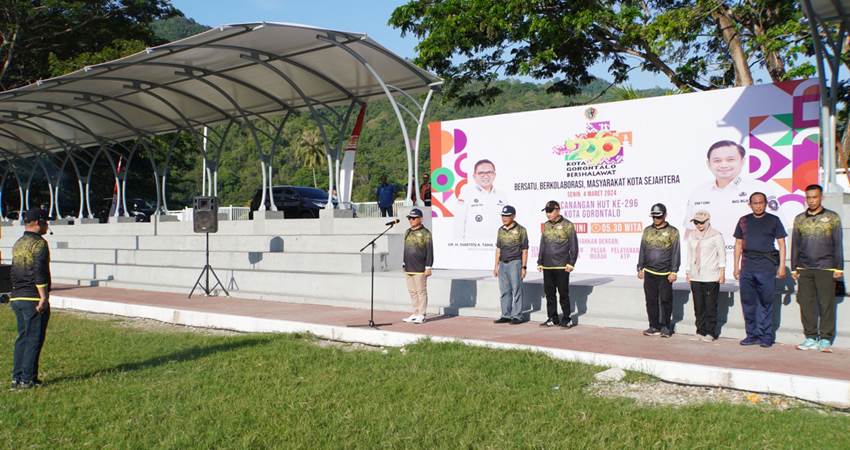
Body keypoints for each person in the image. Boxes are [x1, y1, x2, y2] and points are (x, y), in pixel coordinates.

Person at [684, 140, 782, 243]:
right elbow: (690, 233)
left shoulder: (759, 188)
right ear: (708, 163)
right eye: (717, 160)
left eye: (730, 159)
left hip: (750, 257)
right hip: (710, 257)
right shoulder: (698, 193)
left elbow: (779, 230)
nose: (723, 165)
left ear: (742, 161)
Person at [791, 184, 844, 353]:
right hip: (804, 268)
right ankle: (810, 337)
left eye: (815, 197)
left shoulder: (832, 217)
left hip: (826, 267)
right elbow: (795, 244)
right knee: (806, 304)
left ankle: (826, 339)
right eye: (809, 197)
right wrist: (794, 267)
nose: (812, 200)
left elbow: (838, 243)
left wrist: (839, 268)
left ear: (821, 197)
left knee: (826, 304)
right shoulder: (799, 218)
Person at [733, 192, 786, 348]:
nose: (758, 205)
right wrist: (736, 267)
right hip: (747, 267)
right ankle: (752, 334)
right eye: (755, 203)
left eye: (761, 202)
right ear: (750, 204)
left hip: (766, 267)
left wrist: (782, 266)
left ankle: (766, 336)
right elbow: (738, 244)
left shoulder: (773, 220)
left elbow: (782, 244)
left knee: (766, 302)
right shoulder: (743, 221)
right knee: (748, 302)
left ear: (766, 203)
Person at [10, 209, 51, 390]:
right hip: (33, 297)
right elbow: (39, 271)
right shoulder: (39, 243)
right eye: (45, 222)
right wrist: (43, 297)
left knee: (23, 338)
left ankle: (17, 377)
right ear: (37, 223)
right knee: (34, 339)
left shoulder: (18, 243)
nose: (47, 225)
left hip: (17, 296)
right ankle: (28, 380)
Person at [637, 203, 681, 338]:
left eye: (659, 216)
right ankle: (653, 325)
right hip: (649, 272)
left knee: (666, 301)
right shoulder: (647, 230)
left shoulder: (673, 231)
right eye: (654, 217)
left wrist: (674, 271)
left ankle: (666, 327)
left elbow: (675, 252)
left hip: (665, 273)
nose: (656, 219)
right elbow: (642, 249)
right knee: (650, 300)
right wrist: (640, 267)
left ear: (665, 215)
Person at [536, 200, 579, 328]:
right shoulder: (546, 225)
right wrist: (540, 261)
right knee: (549, 294)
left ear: (558, 210)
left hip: (562, 265)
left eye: (550, 211)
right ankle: (552, 318)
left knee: (563, 293)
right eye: (546, 212)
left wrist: (571, 263)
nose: (548, 214)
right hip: (547, 266)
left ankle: (567, 318)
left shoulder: (568, 225)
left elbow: (574, 246)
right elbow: (542, 244)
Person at [685, 210, 726, 341]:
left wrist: (722, 273)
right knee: (698, 305)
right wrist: (688, 272)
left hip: (711, 275)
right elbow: (689, 255)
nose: (698, 225)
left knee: (710, 305)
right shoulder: (692, 235)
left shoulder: (716, 235)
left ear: (708, 221)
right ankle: (700, 331)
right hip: (696, 275)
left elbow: (722, 255)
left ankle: (710, 332)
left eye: (701, 222)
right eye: (696, 222)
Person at [455, 159, 508, 241]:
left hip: (497, 247)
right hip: (474, 248)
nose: (485, 176)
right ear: (474, 176)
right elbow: (458, 224)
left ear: (494, 175)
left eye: (489, 172)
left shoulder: (502, 196)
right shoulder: (466, 194)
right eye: (481, 173)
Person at [493, 205, 529, 325]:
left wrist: (524, 267)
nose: (504, 218)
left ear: (513, 216)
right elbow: (498, 248)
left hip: (515, 263)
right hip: (503, 264)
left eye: (507, 215)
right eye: (503, 215)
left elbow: (524, 249)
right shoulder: (500, 230)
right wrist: (496, 266)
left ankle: (517, 316)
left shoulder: (521, 230)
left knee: (516, 290)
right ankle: (505, 315)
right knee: (504, 291)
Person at [401, 208, 433, 324]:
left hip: (420, 268)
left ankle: (422, 314)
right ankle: (415, 313)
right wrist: (404, 262)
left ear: (420, 219)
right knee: (412, 292)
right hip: (408, 266)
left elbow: (430, 251)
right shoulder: (407, 232)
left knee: (421, 292)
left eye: (414, 218)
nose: (411, 220)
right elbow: (405, 249)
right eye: (410, 218)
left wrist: (428, 266)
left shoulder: (426, 233)